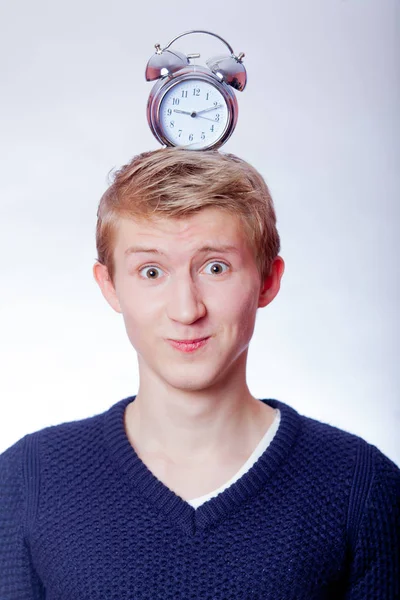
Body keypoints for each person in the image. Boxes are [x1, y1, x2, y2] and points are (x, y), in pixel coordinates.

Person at [0, 148, 399, 599]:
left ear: (267, 280)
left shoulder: (360, 488)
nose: (187, 309)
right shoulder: (27, 479)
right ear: (109, 286)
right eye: (151, 271)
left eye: (215, 267)